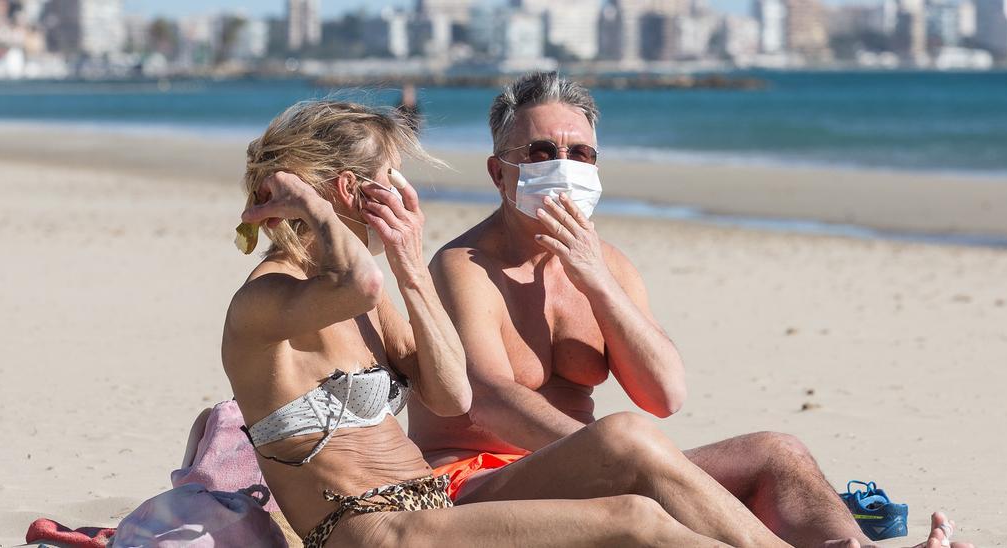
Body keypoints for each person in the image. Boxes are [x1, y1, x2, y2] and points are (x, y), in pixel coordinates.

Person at [416, 72, 974, 548]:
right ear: (498, 172)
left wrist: (598, 283)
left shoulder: (608, 263)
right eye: (540, 153)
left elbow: (665, 395)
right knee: (626, 438)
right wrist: (613, 453)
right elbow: (486, 399)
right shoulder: (463, 265)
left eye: (579, 154)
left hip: (603, 467)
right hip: (477, 485)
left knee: (779, 454)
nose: (563, 165)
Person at [221, 99, 745, 547]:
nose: (405, 194)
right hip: (375, 532)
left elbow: (451, 396)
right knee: (634, 519)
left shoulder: (366, 302)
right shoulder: (266, 299)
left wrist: (410, 266)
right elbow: (359, 282)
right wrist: (319, 210)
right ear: (348, 191)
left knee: (643, 512)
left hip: (435, 515)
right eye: (392, 178)